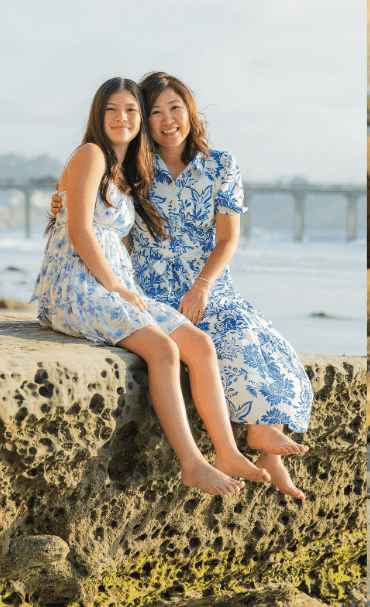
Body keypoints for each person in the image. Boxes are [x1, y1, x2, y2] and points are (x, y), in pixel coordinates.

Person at [52, 72, 313, 500]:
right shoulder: (137, 165)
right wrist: (61, 199)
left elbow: (228, 239)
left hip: (205, 282)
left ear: (190, 112)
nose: (166, 119)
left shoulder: (221, 164)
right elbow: (94, 204)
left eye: (175, 108)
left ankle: (268, 452)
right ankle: (251, 448)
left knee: (254, 338)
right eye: (154, 112)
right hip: (149, 283)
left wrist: (203, 286)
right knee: (214, 342)